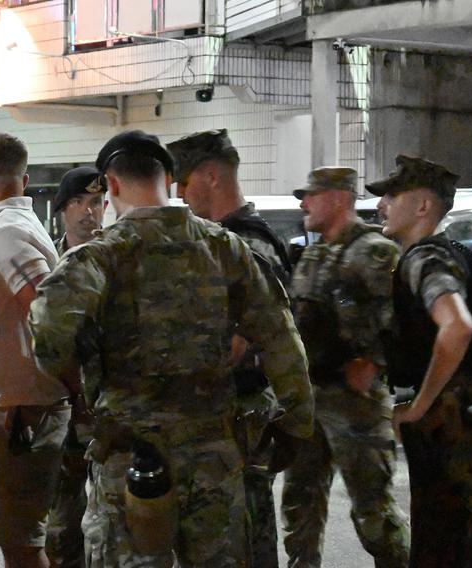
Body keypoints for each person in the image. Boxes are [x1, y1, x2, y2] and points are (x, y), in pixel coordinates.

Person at [29, 129, 314, 567]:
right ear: (167, 177)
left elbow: (47, 338)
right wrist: (295, 422)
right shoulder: (227, 248)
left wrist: (85, 376)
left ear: (112, 185)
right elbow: (281, 338)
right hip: (214, 457)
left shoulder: (99, 257)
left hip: (132, 459)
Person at [369, 155, 472, 568]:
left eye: (392, 196)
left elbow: (458, 327)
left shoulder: (422, 259)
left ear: (423, 206)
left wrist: (420, 405)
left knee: (441, 551)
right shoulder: (462, 253)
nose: (381, 205)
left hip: (452, 435)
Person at [167, 128, 291, 568]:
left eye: (183, 182)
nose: (179, 194)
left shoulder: (248, 245)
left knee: (246, 543)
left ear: (211, 176)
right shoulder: (222, 239)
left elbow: (234, 344)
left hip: (240, 420)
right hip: (224, 420)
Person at [285, 166, 410, 568]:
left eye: (311, 195)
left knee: (373, 512)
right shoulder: (315, 251)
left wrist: (375, 362)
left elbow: (404, 319)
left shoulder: (375, 251)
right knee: (300, 504)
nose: (303, 203)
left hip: (355, 403)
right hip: (311, 399)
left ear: (338, 198)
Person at [0, 132, 71, 568]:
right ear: (24, 179)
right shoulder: (18, 226)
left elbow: (48, 310)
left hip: (17, 407)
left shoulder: (6, 232)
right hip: (19, 402)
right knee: (20, 538)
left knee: (22, 544)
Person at [46, 165, 108, 568]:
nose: (89, 211)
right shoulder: (45, 259)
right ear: (62, 210)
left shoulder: (118, 256)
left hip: (108, 407)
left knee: (113, 522)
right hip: (61, 406)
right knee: (61, 523)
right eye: (79, 202)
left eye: (98, 202)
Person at [53, 165, 109, 256]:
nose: (88, 210)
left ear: (105, 207)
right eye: (78, 201)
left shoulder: (120, 257)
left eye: (95, 202)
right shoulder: (47, 256)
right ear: (63, 206)